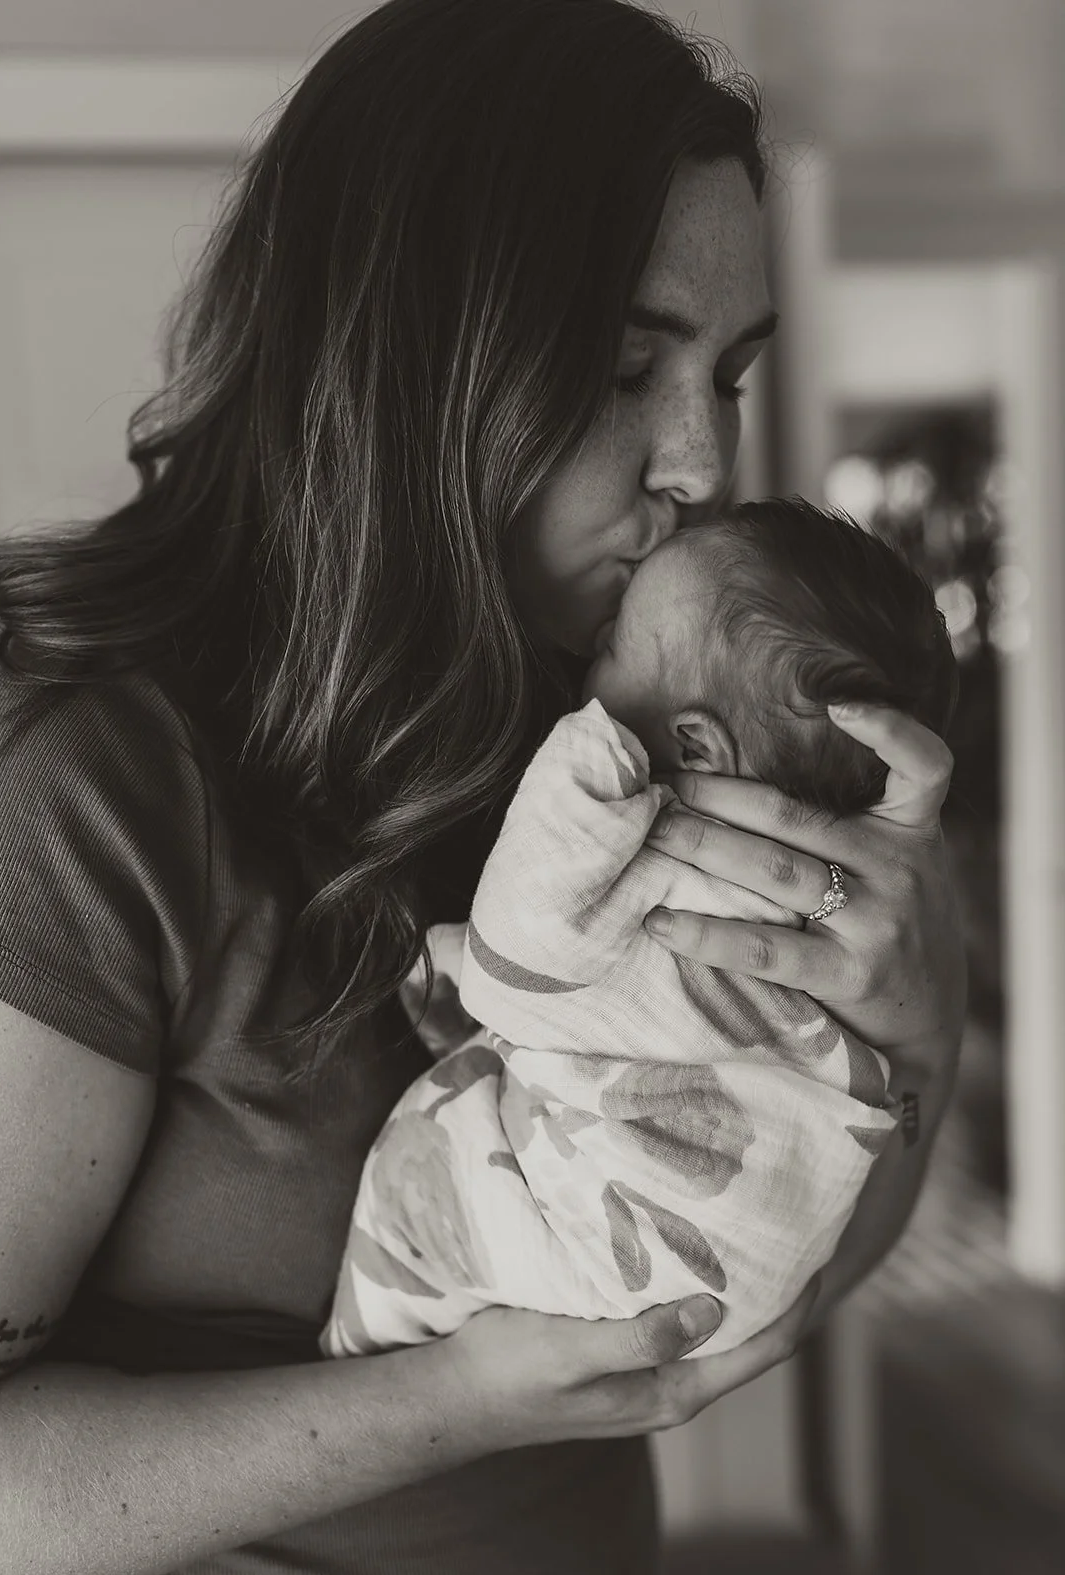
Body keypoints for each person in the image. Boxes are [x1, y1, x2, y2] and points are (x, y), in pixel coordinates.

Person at [0, 2, 964, 1575]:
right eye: (624, 365)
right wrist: (446, 1405)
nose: (702, 462)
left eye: (730, 375)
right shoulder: (83, 784)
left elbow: (746, 1277)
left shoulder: (615, 719)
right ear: (406, 353)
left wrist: (910, 1037)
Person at [325, 501, 958, 1359]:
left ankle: (356, 1339)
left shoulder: (663, 863)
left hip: (637, 1256)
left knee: (423, 1170)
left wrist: (582, 771)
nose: (594, 648)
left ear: (694, 746)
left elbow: (514, 970)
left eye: (616, 640)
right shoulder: (804, 899)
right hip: (740, 1282)